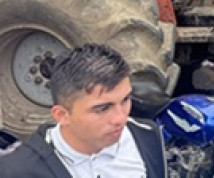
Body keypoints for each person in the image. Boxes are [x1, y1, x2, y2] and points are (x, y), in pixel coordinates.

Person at [1, 44, 166, 178]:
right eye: (102, 108)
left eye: (125, 100)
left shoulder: (148, 136)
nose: (120, 118)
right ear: (62, 115)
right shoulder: (17, 171)